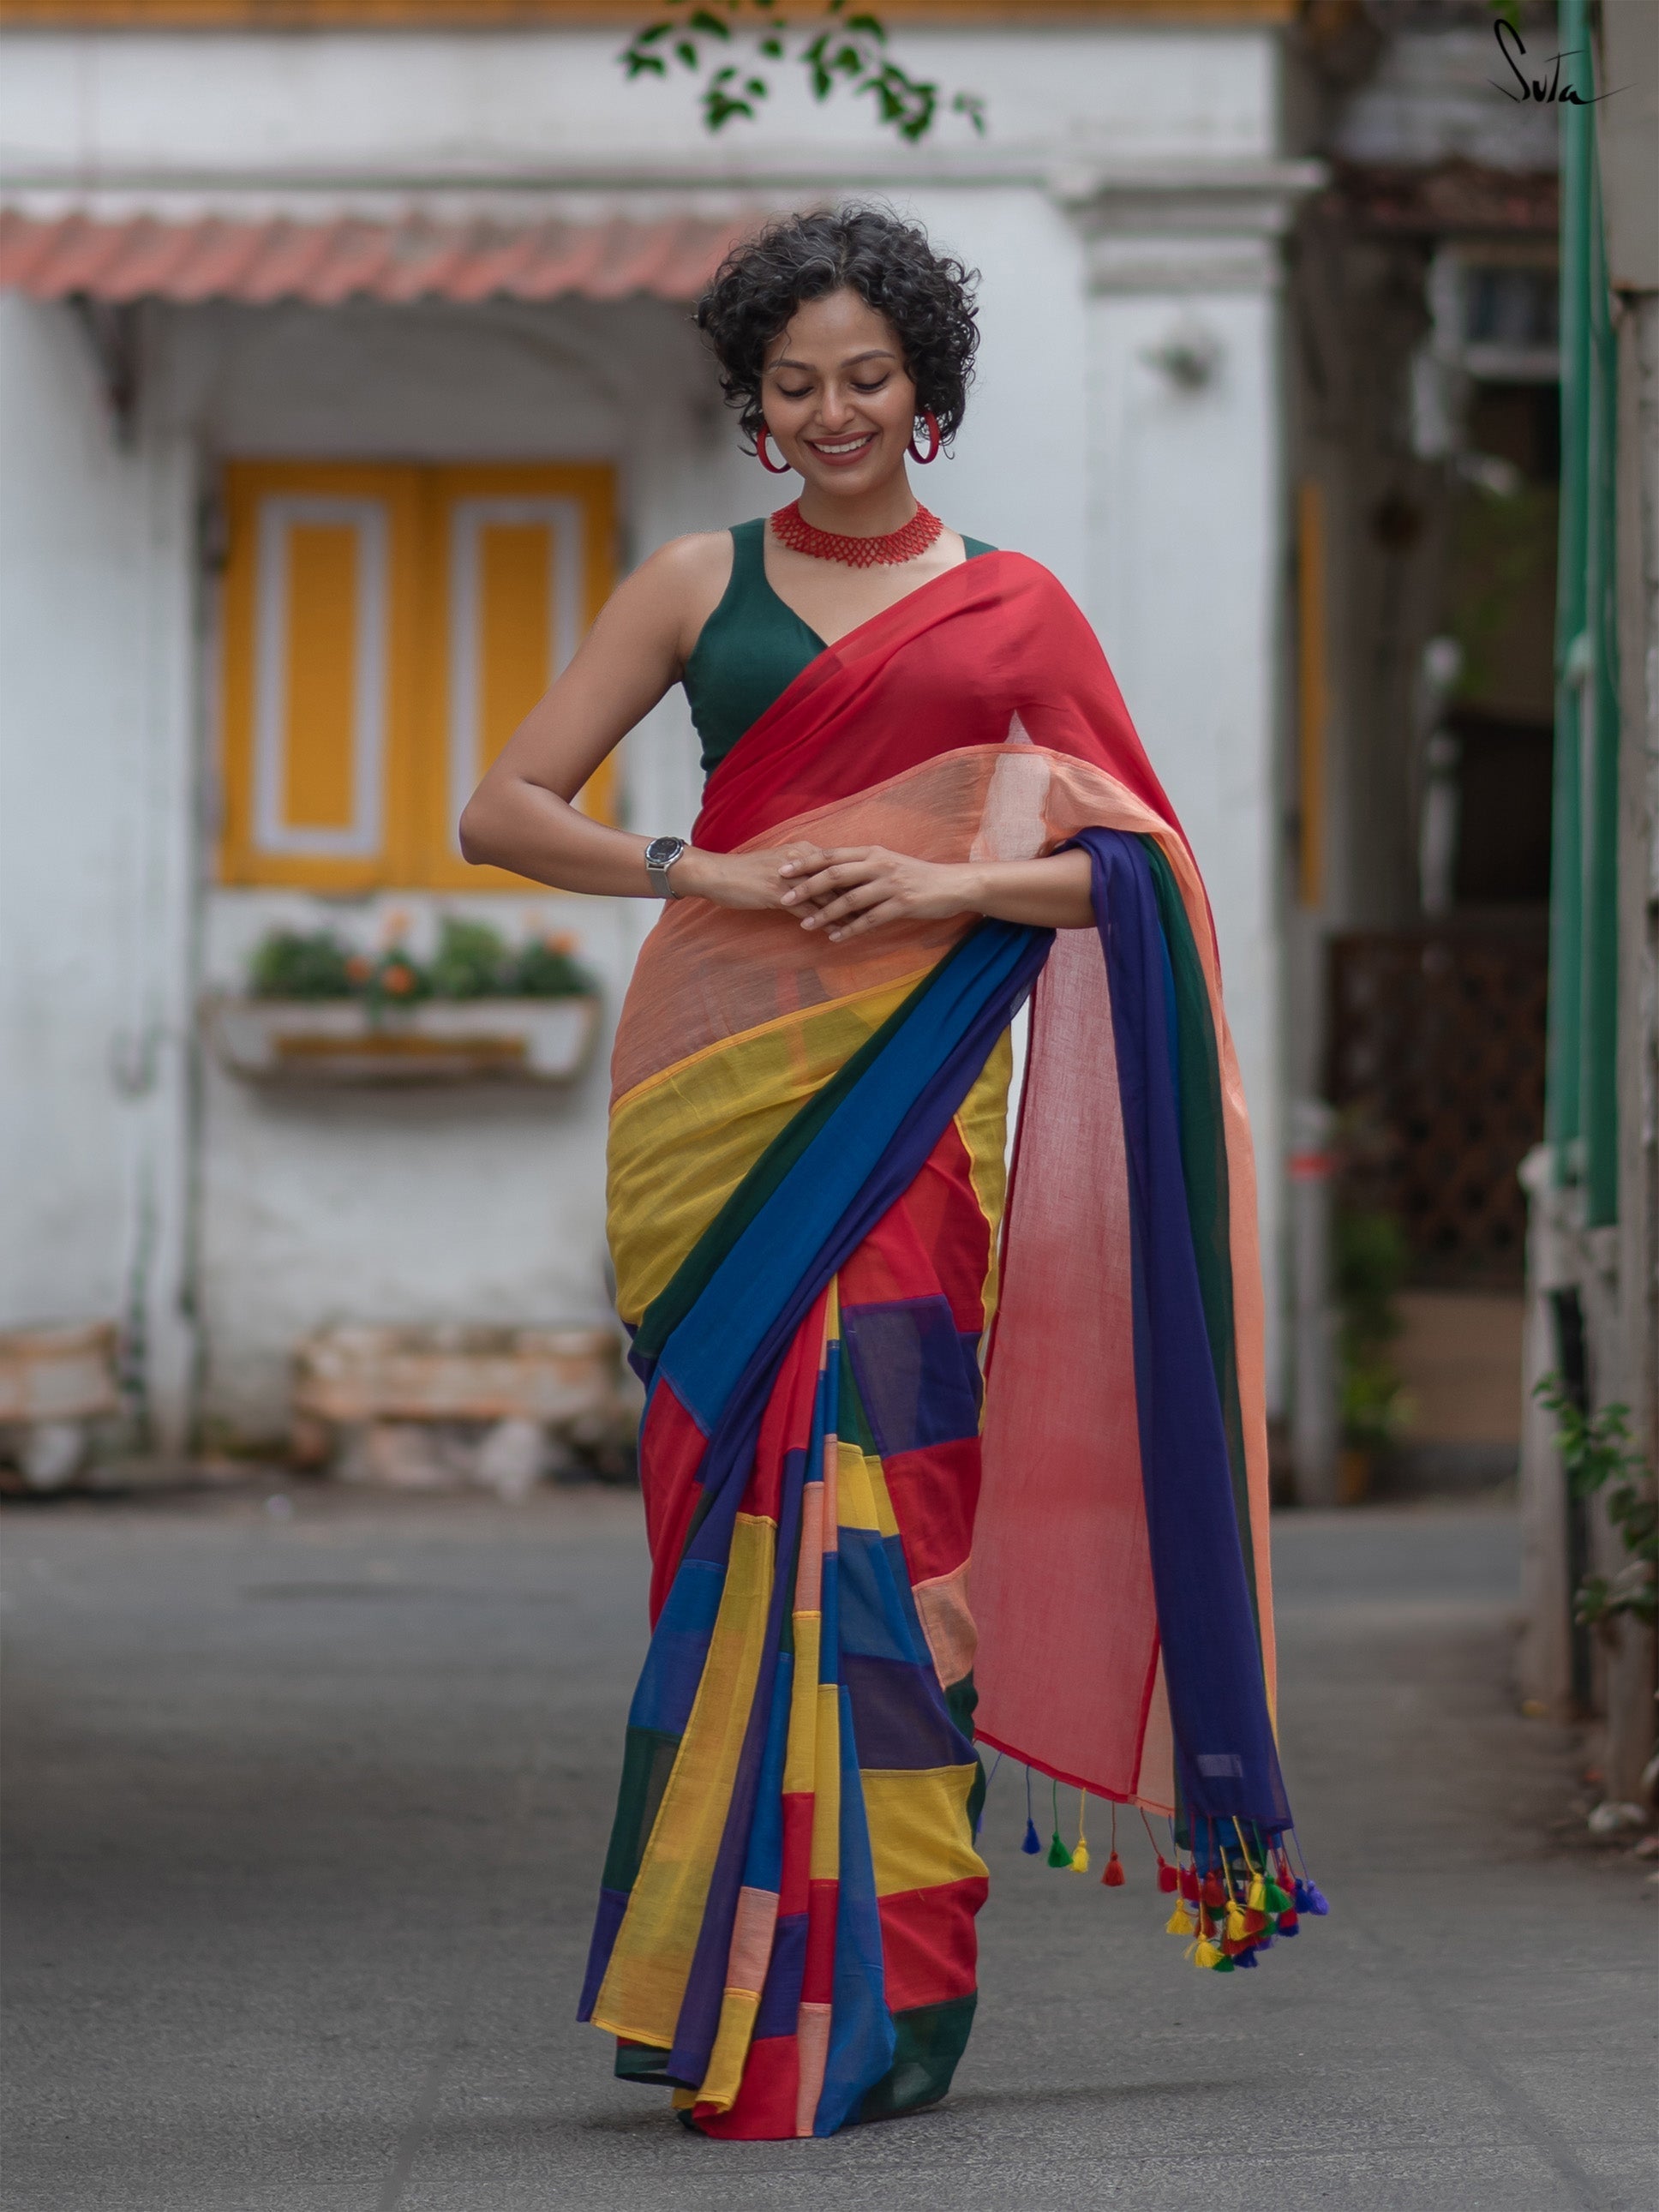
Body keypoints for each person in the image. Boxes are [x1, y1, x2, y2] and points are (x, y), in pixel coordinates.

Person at [461, 205, 1306, 2143]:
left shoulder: (1015, 611)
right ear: (753, 405)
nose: (833, 411)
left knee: (896, 1521)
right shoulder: (697, 582)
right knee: (735, 1516)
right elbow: (501, 809)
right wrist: (708, 868)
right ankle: (727, 1980)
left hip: (913, 1108)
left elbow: (1136, 875)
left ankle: (882, 1993)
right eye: (795, 384)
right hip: (711, 1103)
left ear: (927, 389)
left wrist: (942, 888)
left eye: (867, 376)